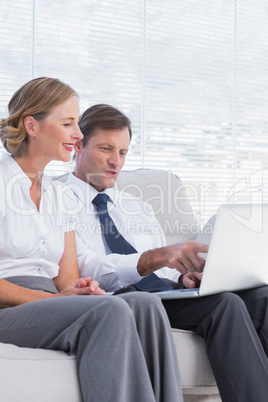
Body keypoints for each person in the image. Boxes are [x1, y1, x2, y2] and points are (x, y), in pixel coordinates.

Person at [66, 103, 268, 402]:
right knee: (224, 305)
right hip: (117, 297)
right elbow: (84, 266)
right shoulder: (56, 199)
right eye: (105, 149)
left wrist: (188, 274)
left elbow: (166, 271)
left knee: (262, 296)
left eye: (122, 153)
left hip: (165, 294)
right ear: (78, 146)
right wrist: (157, 257)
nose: (115, 162)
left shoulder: (137, 206)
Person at [0, 79, 183, 402]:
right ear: (32, 125)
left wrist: (78, 290)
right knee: (108, 311)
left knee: (145, 303)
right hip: (8, 307)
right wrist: (51, 302)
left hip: (48, 302)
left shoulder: (58, 195)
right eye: (68, 123)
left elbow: (66, 279)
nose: (78, 134)